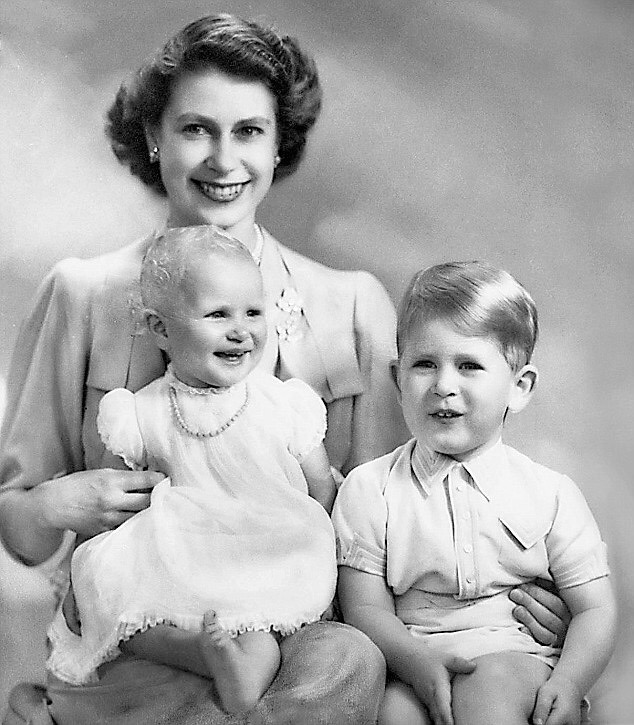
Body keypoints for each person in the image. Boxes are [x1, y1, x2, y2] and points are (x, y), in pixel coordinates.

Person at [0, 13, 569, 724]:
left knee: (349, 661)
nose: (223, 159)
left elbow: (409, 507)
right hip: (141, 640)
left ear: (278, 147)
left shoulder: (351, 305)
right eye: (196, 128)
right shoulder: (81, 294)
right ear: (153, 136)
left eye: (249, 131)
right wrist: (54, 505)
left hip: (295, 638)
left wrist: (509, 594)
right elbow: (20, 530)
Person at [47, 226, 338, 713]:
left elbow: (322, 487)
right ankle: (203, 651)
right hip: (175, 555)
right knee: (121, 613)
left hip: (261, 551)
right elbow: (111, 503)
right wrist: (85, 574)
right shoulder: (140, 411)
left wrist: (319, 558)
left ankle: (240, 670)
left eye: (252, 312)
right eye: (218, 314)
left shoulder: (283, 404)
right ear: (161, 329)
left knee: (260, 627)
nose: (240, 330)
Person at [332, 261, 616, 725]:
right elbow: (364, 606)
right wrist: (416, 662)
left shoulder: (550, 493)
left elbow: (595, 608)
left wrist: (569, 682)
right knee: (392, 715)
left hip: (514, 654)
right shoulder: (369, 489)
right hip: (411, 656)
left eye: (469, 366)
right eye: (424, 364)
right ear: (397, 379)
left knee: (490, 696)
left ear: (519, 388)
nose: (444, 386)